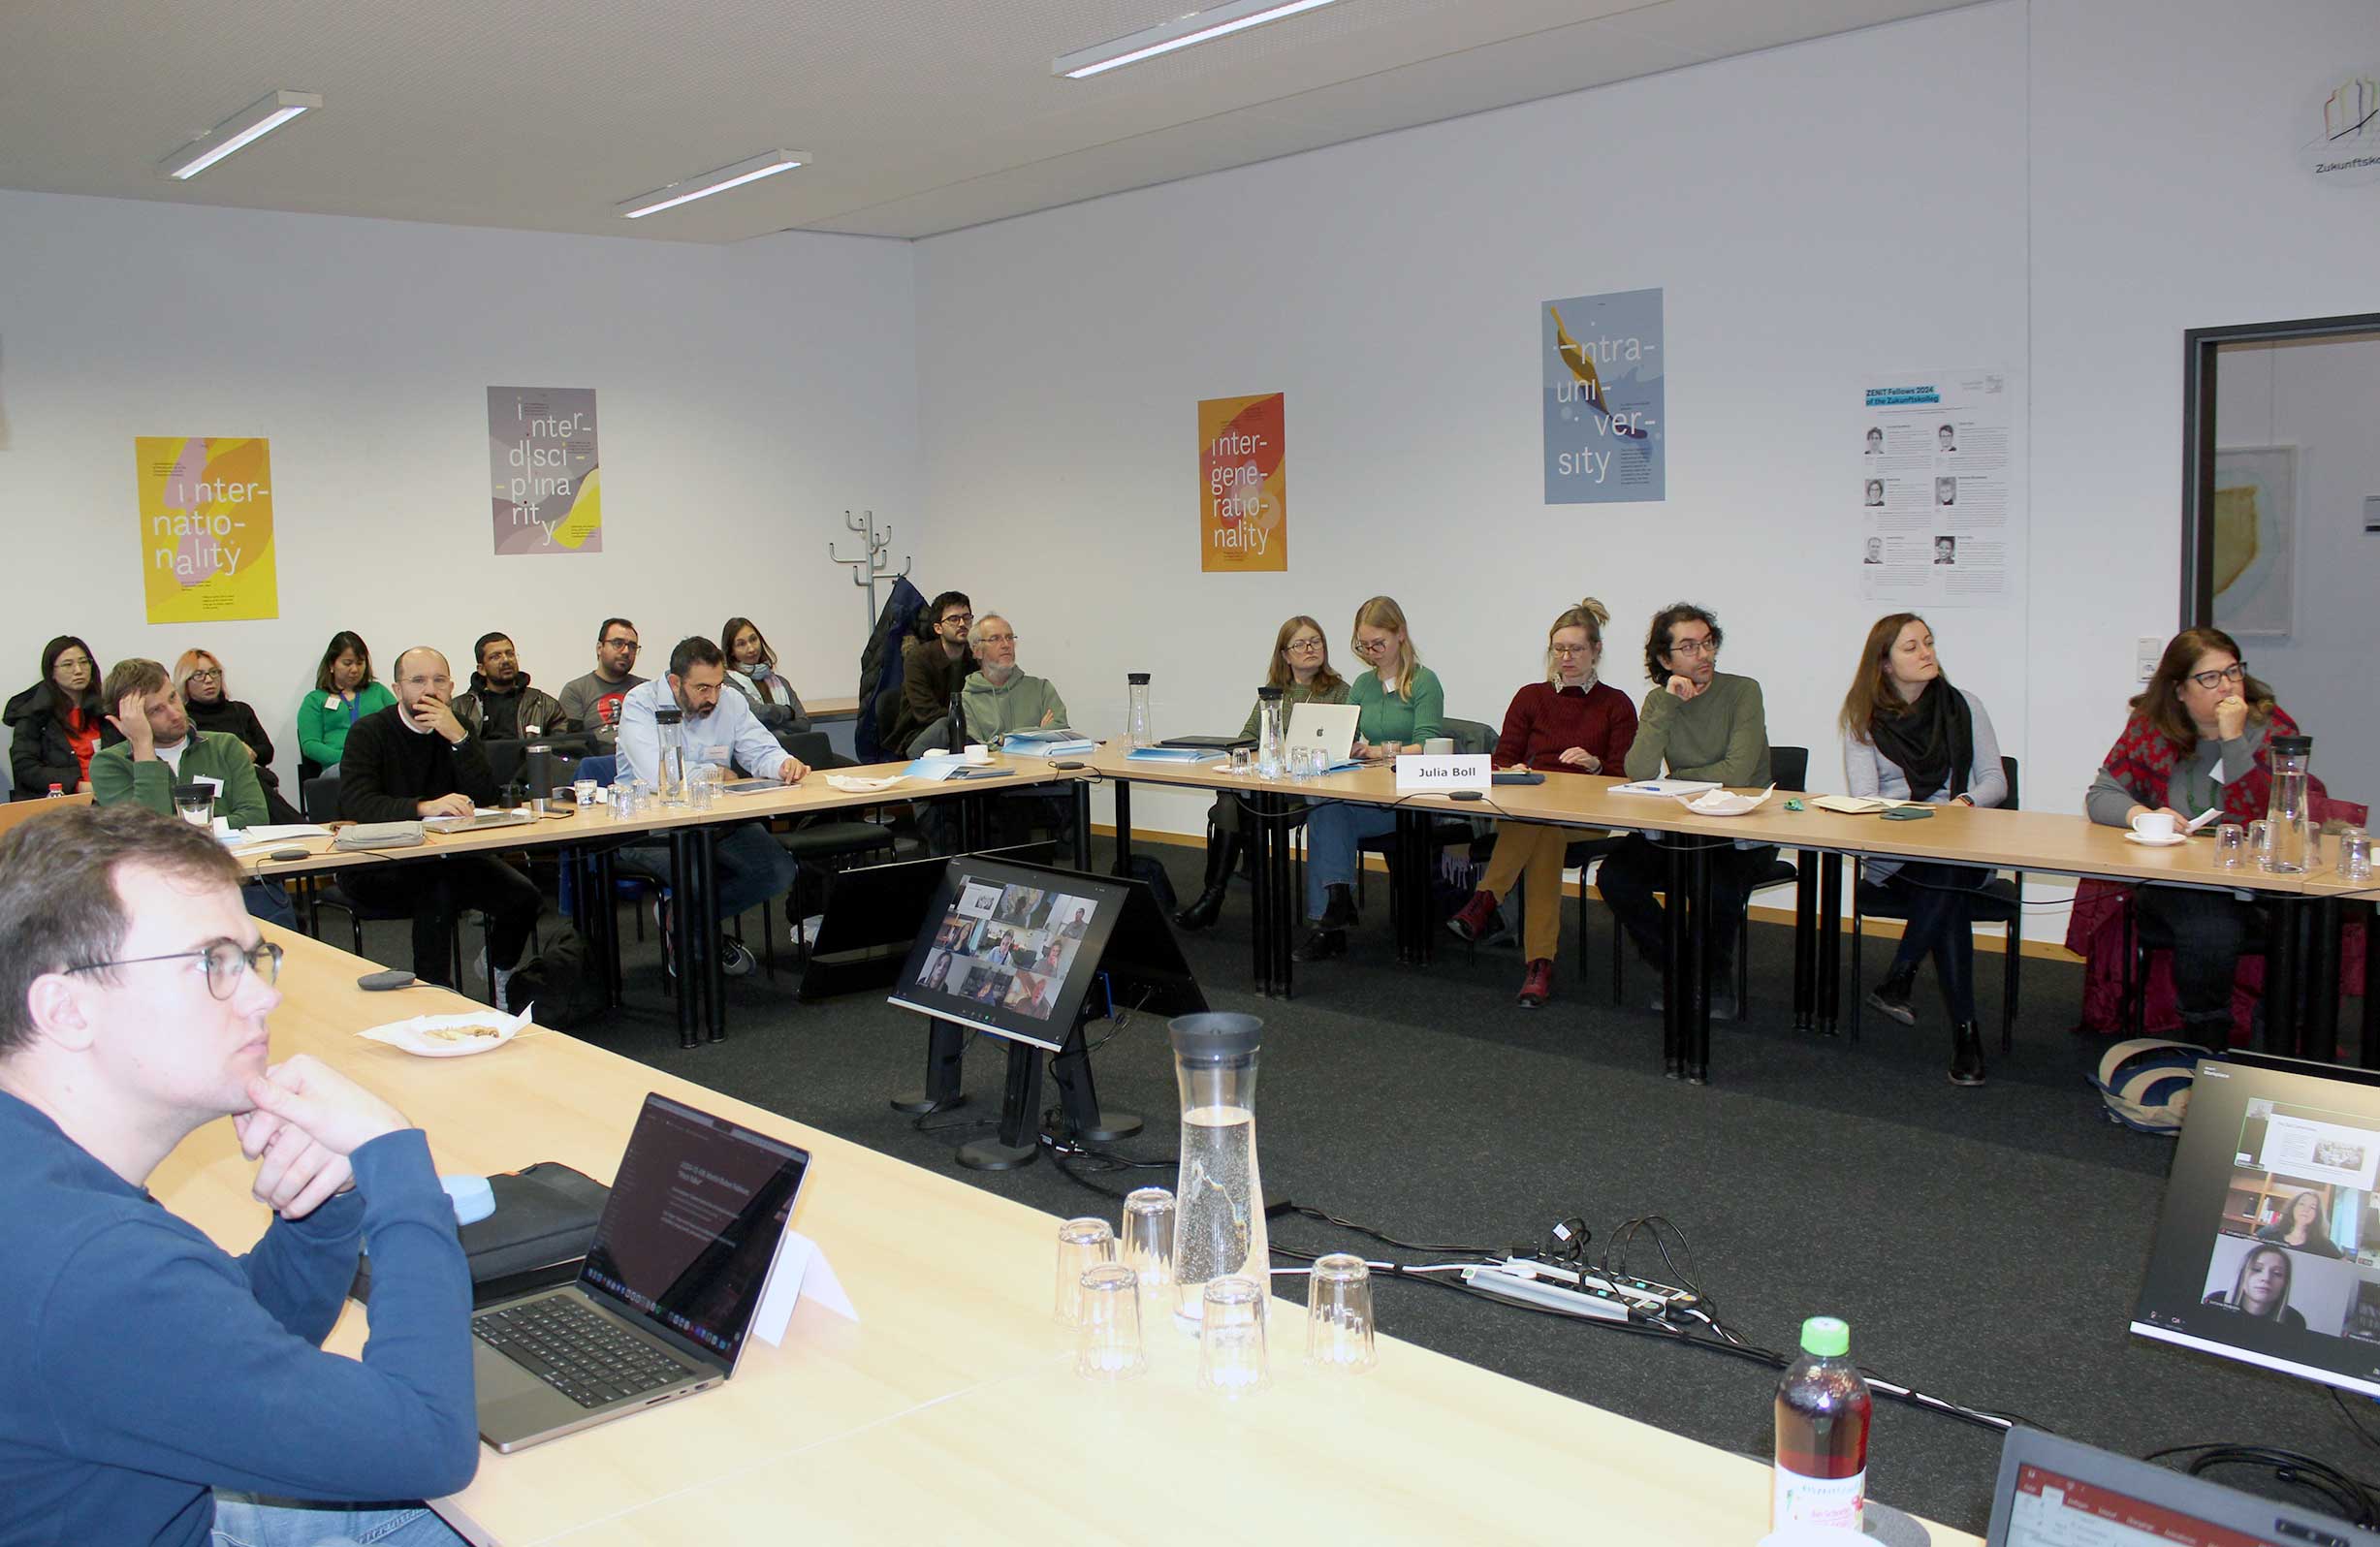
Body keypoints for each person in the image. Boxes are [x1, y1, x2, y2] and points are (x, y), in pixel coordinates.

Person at [0, 804, 476, 1546]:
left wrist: (322, 1203)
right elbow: (429, 1444)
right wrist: (394, 1158)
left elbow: (221, 1346)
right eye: (211, 963)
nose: (264, 996)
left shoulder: (36, 1169)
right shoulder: (89, 1262)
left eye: (251, 959)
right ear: (66, 1009)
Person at [2079, 626, 2325, 1045]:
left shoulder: (2268, 726)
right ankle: (2206, 1036)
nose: (2226, 686)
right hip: (2181, 878)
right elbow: (2101, 795)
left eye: (2233, 672)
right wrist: (2144, 816)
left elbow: (2264, 812)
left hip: (2257, 874)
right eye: (2210, 677)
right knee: (2210, 926)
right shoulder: (2151, 729)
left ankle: (2282, 1038)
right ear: (2179, 690)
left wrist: (2233, 739)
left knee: (2310, 917)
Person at [1839, 615, 2008, 1086]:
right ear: (1885, 663)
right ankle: (1964, 1034)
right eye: (1911, 647)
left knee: (1946, 872)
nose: (1926, 653)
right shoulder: (1863, 718)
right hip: (1897, 855)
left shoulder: (1964, 706)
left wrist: (1963, 804)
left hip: (1960, 845)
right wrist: (1915, 816)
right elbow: (1866, 798)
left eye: (1928, 643)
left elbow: (1995, 781)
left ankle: (1902, 977)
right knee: (1946, 886)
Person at [1445, 599, 1638, 1007]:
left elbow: (1625, 776)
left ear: (1596, 650)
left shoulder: (1616, 704)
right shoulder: (1530, 697)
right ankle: (1539, 964)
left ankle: (1486, 900)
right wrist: (1512, 767)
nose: (1566, 658)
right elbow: (1500, 760)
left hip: (1584, 818)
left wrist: (1596, 764)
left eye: (1576, 649)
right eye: (1559, 649)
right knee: (1543, 833)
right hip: (1526, 813)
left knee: (1544, 831)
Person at [1595, 603, 1774, 1017]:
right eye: (1690, 647)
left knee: (1716, 886)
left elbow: (1737, 772)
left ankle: (1715, 979)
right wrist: (1667, 705)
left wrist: (1679, 778)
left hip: (1742, 829)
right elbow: (1639, 771)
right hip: (1683, 825)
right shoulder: (1659, 701)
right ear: (1665, 659)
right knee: (1616, 877)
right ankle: (1681, 965)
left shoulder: (1743, 691)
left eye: (1708, 643)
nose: (1704, 655)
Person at [336, 647, 543, 1003]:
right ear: (398, 689)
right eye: (418, 681)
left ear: (451, 686)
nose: (429, 690)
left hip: (448, 855)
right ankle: (435, 994)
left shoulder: (458, 726)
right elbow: (358, 804)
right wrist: (423, 807)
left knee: (525, 897)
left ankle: (499, 967)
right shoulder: (369, 732)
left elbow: (485, 796)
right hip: (378, 862)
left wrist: (460, 741)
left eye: (439, 681)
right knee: (436, 889)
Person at [617, 637, 808, 976]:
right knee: (696, 879)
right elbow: (658, 774)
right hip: (652, 827)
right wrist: (714, 773)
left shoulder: (730, 700)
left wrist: (782, 764)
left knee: (778, 869)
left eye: (718, 685)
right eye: (702, 688)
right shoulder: (640, 703)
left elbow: (759, 748)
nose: (713, 698)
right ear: (675, 682)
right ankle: (701, 938)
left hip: (718, 819)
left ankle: (683, 921)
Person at [89, 657, 295, 927]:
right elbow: (148, 836)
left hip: (237, 881)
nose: (175, 713)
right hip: (160, 894)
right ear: (126, 722)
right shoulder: (109, 764)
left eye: (172, 698)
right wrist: (143, 747)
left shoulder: (225, 746)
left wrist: (183, 828)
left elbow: (255, 816)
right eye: (156, 710)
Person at [1175, 616, 1350, 931]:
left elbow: (1346, 742)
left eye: (1316, 642)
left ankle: (1214, 896)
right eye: (1300, 644)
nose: (1310, 648)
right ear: (1285, 655)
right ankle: (1213, 896)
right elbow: (1247, 736)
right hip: (1267, 788)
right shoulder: (1273, 694)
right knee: (1229, 800)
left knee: (1230, 805)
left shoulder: (1340, 692)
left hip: (1306, 794)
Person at [1296, 597, 1445, 963]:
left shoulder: (1424, 682)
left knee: (1325, 814)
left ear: (1401, 634)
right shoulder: (1363, 685)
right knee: (1325, 808)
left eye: (1378, 643)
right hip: (1369, 793)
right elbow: (1345, 734)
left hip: (1409, 800)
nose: (1371, 653)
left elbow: (1428, 746)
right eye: (1364, 646)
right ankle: (1334, 907)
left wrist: (1377, 750)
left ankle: (1331, 919)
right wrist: (1342, 746)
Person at [957, 615, 1077, 847]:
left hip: (1042, 777)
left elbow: (1059, 729)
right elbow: (976, 747)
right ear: (977, 651)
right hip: (996, 784)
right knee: (1012, 803)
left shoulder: (1040, 687)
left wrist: (1004, 739)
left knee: (1077, 787)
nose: (1006, 644)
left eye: (1010, 637)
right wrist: (1037, 733)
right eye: (995, 639)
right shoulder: (966, 699)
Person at [174, 648, 301, 825]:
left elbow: (267, 751)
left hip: (251, 775)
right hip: (213, 782)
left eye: (213, 672)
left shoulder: (240, 710)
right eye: (199, 675)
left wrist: (245, 753)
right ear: (185, 682)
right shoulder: (185, 721)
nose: (209, 680)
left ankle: (297, 827)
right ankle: (299, 826)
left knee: (252, 780)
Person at [8, 636, 105, 798]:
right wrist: (77, 786)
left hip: (110, 797)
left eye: (84, 662)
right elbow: (25, 767)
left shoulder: (105, 710)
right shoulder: (34, 715)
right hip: (62, 801)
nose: (78, 670)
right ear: (51, 672)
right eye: (68, 664)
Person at [297, 631, 396, 777]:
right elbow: (310, 745)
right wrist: (349, 758)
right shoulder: (315, 700)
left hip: (380, 762)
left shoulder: (378, 691)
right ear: (331, 664)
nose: (355, 669)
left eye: (360, 663)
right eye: (347, 663)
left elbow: (399, 724)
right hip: (339, 767)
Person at [891, 591, 975, 754]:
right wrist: (969, 720)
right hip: (920, 733)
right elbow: (926, 713)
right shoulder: (918, 659)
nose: (962, 624)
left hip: (965, 730)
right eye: (953, 619)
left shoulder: (975, 657)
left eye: (966, 617)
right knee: (946, 725)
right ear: (938, 628)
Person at [453, 631, 562, 742]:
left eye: (510, 654)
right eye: (496, 657)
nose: (506, 660)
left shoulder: (545, 706)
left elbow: (562, 746)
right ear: (482, 669)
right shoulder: (459, 708)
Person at [555, 618, 647, 745]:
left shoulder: (646, 689)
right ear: (599, 648)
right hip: (597, 756)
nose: (626, 651)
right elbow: (572, 744)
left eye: (632, 646)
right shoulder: (576, 690)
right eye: (618, 643)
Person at [721, 616, 810, 733]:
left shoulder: (781, 682)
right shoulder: (728, 682)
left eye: (753, 639)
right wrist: (788, 711)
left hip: (791, 742)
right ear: (731, 651)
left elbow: (804, 725)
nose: (751, 648)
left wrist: (772, 723)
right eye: (741, 644)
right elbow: (758, 713)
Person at [2204, 1244, 2305, 1327]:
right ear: (2242, 1274)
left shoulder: (2294, 1320)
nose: (2266, 1278)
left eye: (2277, 1273)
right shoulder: (2215, 1301)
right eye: (2257, 1269)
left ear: (2285, 1283)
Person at [2257, 1189, 2343, 1258]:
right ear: (2293, 1207)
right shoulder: (2270, 1232)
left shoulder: (2323, 1244)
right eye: (2302, 1204)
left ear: (2317, 1214)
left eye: (2312, 1207)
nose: (2306, 1210)